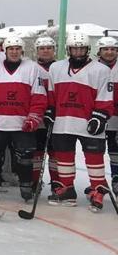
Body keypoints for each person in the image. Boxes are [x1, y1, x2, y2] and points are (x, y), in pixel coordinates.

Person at [0, 35, 47, 202]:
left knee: (25, 158)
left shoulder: (32, 68)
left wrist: (34, 117)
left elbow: (39, 96)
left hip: (22, 125)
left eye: (17, 49)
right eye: (11, 49)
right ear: (5, 51)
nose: (14, 52)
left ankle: (26, 185)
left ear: (21, 50)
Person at [46, 32, 112, 210]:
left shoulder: (101, 70)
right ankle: (67, 189)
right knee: (64, 157)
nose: (78, 52)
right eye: (75, 48)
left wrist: (100, 116)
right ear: (69, 49)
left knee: (94, 158)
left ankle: (97, 190)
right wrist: (50, 109)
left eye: (81, 48)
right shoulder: (56, 68)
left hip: (88, 122)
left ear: (87, 49)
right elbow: (51, 93)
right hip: (63, 122)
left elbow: (106, 97)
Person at [32, 36, 59, 187]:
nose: (46, 51)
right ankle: (35, 181)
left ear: (54, 50)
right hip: (38, 117)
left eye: (49, 48)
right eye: (42, 48)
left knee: (55, 152)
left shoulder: (61, 67)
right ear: (37, 51)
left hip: (57, 118)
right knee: (37, 152)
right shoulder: (32, 68)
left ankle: (57, 182)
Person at [95, 35, 118, 193]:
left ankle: (116, 179)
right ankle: (96, 183)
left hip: (116, 119)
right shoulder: (92, 68)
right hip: (97, 118)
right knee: (95, 153)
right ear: (99, 51)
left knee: (115, 151)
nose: (110, 52)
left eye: (113, 49)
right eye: (106, 49)